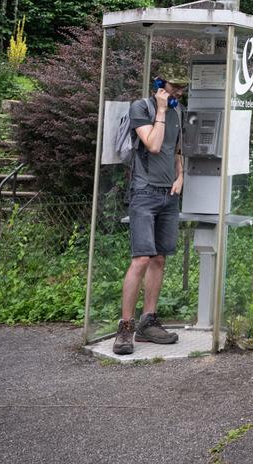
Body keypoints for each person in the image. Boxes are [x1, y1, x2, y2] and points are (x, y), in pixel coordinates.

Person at [113, 68, 187, 354]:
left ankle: (148, 321)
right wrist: (160, 109)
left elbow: (176, 149)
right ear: (159, 84)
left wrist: (181, 176)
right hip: (144, 192)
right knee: (141, 258)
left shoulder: (178, 111)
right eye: (174, 87)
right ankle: (125, 326)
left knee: (158, 259)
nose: (179, 93)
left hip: (169, 194)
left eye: (182, 88)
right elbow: (154, 145)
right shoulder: (141, 108)